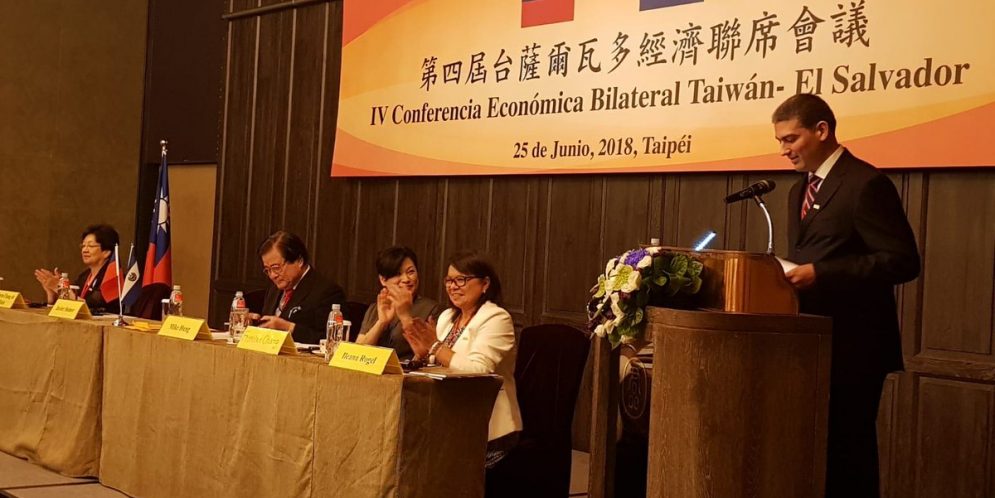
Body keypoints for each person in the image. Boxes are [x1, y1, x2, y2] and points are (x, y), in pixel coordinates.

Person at [772, 93, 920, 498]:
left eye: (791, 139)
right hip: (811, 342)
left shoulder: (865, 183)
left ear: (822, 130)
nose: (783, 150)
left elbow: (902, 261)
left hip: (856, 346)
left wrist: (821, 273)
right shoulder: (798, 190)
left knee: (848, 455)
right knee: (815, 453)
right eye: (780, 141)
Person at [395, 250, 522, 467]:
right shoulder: (447, 316)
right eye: (449, 280)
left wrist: (435, 346)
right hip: (448, 418)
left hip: (487, 427)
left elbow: (478, 371)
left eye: (461, 280)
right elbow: (439, 363)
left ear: (485, 284)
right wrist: (423, 355)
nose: (453, 286)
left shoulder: (496, 318)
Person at [250, 231, 346, 344]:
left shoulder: (327, 292)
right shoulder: (275, 288)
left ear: (299, 261)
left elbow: (329, 338)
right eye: (267, 270)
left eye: (276, 268)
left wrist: (289, 328)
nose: (272, 275)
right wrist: (255, 322)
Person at [355, 246, 443, 361]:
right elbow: (357, 354)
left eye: (411, 272)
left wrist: (405, 315)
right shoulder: (375, 308)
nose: (406, 279)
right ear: (383, 280)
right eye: (397, 274)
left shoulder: (432, 309)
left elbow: (428, 355)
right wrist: (381, 323)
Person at [33, 224, 121, 311]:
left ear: (106, 252)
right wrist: (53, 293)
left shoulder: (114, 278)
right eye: (83, 246)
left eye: (91, 246)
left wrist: (60, 288)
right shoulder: (83, 276)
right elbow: (70, 308)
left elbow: (92, 307)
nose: (84, 250)